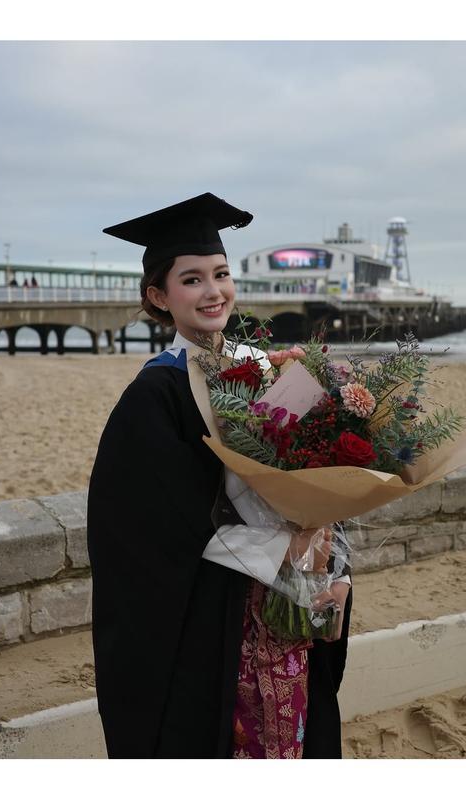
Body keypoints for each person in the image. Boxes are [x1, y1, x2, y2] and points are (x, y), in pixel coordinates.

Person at [87, 192, 353, 759]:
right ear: (159, 296)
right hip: (221, 623)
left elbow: (319, 472)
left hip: (291, 608)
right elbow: (157, 529)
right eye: (192, 279)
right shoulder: (155, 394)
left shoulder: (267, 370)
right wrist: (283, 547)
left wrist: (331, 565)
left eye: (222, 274)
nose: (214, 292)